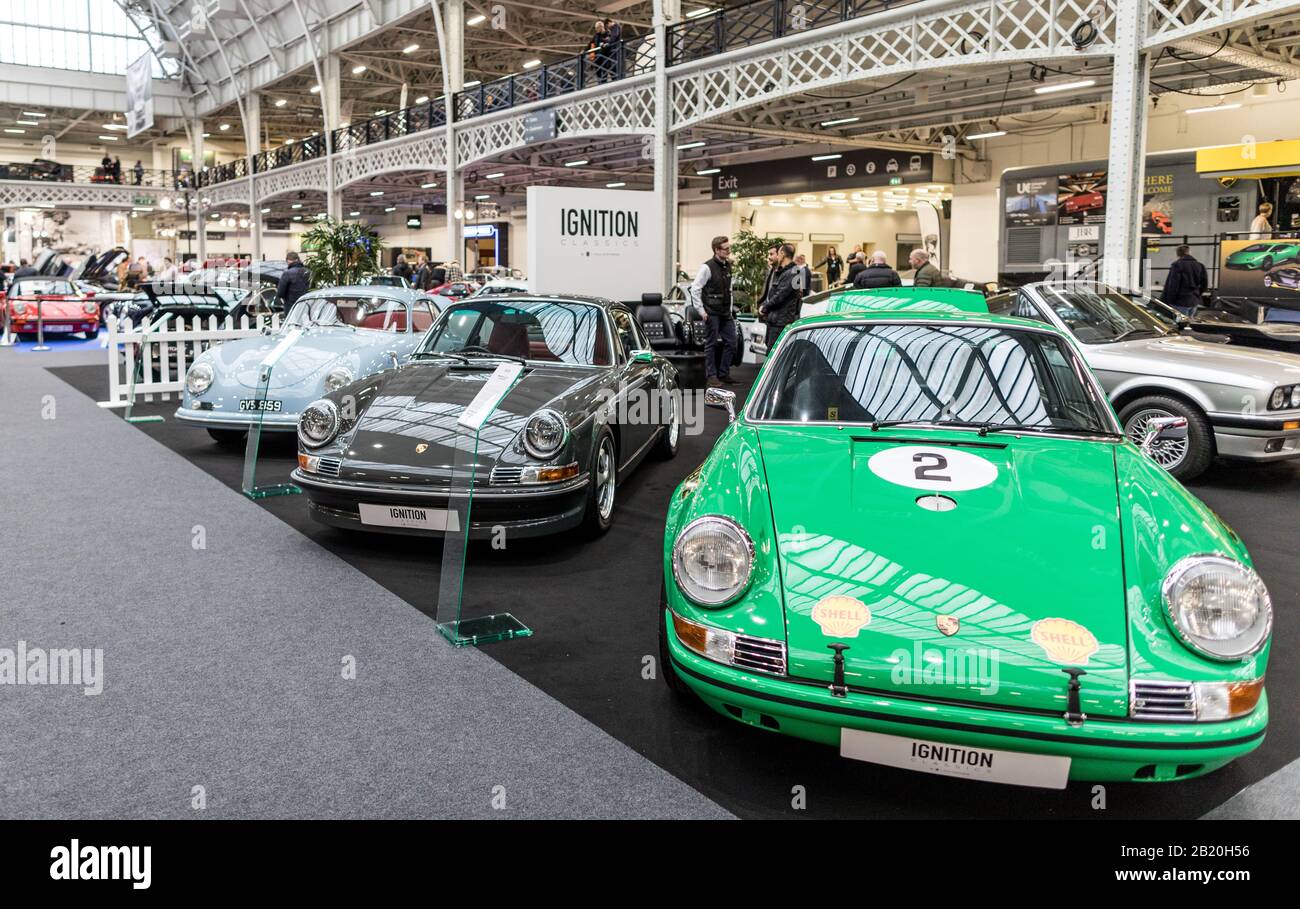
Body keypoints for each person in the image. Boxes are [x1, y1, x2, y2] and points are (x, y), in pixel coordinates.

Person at [689, 235, 738, 387]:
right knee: (711, 344)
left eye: (729, 248)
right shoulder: (707, 267)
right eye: (726, 249)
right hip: (711, 312)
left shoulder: (728, 266)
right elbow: (695, 289)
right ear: (717, 250)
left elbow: (729, 290)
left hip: (725, 313)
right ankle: (711, 375)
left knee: (732, 341)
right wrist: (701, 311)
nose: (729, 251)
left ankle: (723, 373)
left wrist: (730, 310)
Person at [759, 244, 800, 350]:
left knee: (773, 354)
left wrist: (764, 308)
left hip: (781, 322)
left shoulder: (794, 272)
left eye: (774, 254)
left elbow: (780, 296)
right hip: (776, 320)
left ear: (782, 254)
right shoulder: (784, 271)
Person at [1162, 245, 1208, 314]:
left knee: (1179, 323)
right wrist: (1197, 294)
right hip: (1194, 301)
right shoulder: (1200, 265)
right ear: (1189, 252)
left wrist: (1169, 301)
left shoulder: (1177, 265)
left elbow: (1173, 285)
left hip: (1180, 302)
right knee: (1189, 323)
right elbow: (1204, 284)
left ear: (1178, 253)